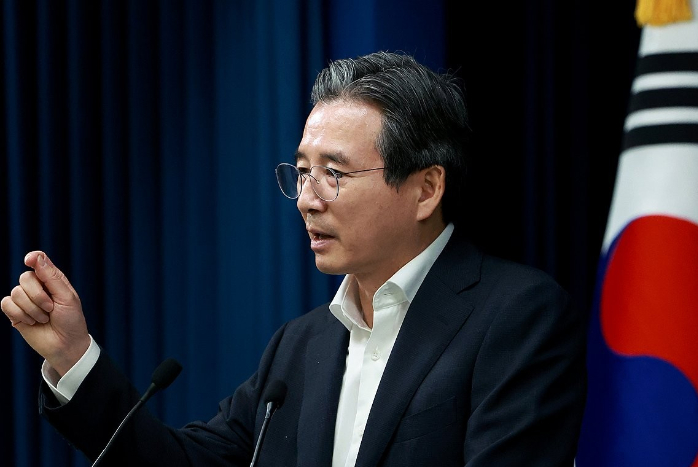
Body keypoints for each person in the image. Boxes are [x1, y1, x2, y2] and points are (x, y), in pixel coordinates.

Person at [1, 51, 587, 466]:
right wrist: (73, 357)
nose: (307, 199)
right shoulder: (300, 346)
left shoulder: (516, 317)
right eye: (302, 172)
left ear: (426, 189)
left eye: (334, 174)